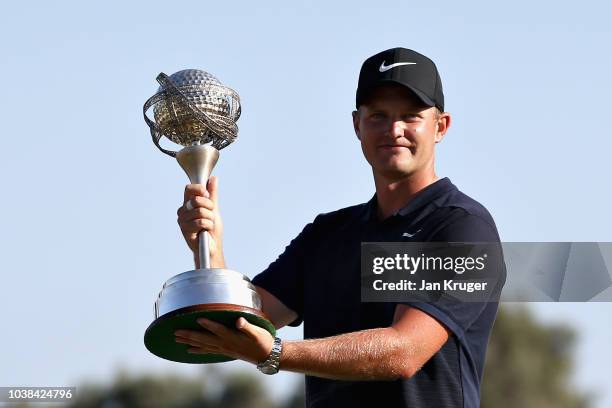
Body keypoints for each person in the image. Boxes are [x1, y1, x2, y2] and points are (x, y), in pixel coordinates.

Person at [174, 47, 504, 408]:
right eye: (378, 115)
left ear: (440, 127)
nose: (394, 130)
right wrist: (208, 246)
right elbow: (244, 325)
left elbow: (404, 352)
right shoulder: (326, 235)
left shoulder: (461, 228)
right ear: (357, 125)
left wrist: (276, 354)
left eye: (410, 116)